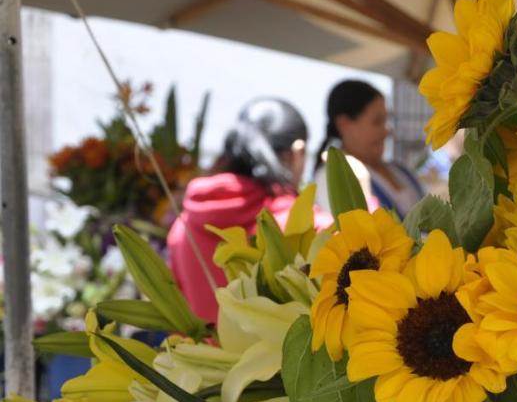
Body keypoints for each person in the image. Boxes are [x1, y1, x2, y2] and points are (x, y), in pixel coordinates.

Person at [168, 98, 311, 323]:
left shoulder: (181, 229)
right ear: (297, 152)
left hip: (206, 355)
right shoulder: (300, 222)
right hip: (283, 357)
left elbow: (178, 315)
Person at [315, 79, 425, 216]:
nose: (386, 131)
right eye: (377, 122)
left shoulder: (401, 171)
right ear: (344, 124)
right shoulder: (333, 178)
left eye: (386, 120)